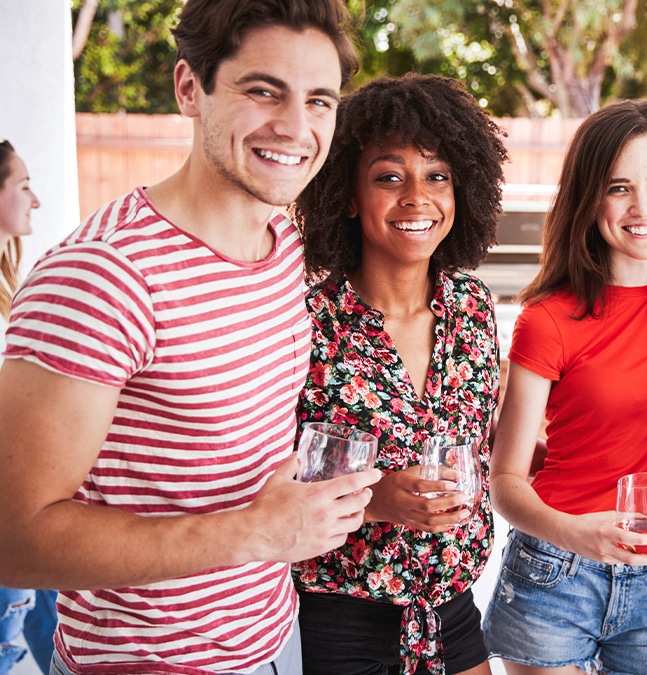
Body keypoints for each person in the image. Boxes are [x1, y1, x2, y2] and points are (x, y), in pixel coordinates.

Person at [0, 2, 382, 673]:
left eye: (319, 100)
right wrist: (255, 531)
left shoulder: (288, 247)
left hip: (274, 642)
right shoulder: (103, 277)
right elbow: (13, 538)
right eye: (263, 90)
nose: (296, 127)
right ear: (189, 88)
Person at [288, 74, 507, 675]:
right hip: (340, 619)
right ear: (350, 195)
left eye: (437, 175)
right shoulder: (306, 319)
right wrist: (374, 500)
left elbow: (479, 439)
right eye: (389, 177)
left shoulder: (473, 307)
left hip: (452, 608)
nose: (418, 197)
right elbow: (263, 477)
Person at [483, 99, 647, 675]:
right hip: (556, 570)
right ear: (589, 199)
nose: (642, 207)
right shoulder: (548, 319)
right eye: (617, 188)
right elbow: (506, 481)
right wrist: (574, 535)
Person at [0, 140, 59, 675]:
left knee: (50, 630)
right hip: (8, 502)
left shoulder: (10, 289)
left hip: (31, 491)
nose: (35, 200)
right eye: (22, 185)